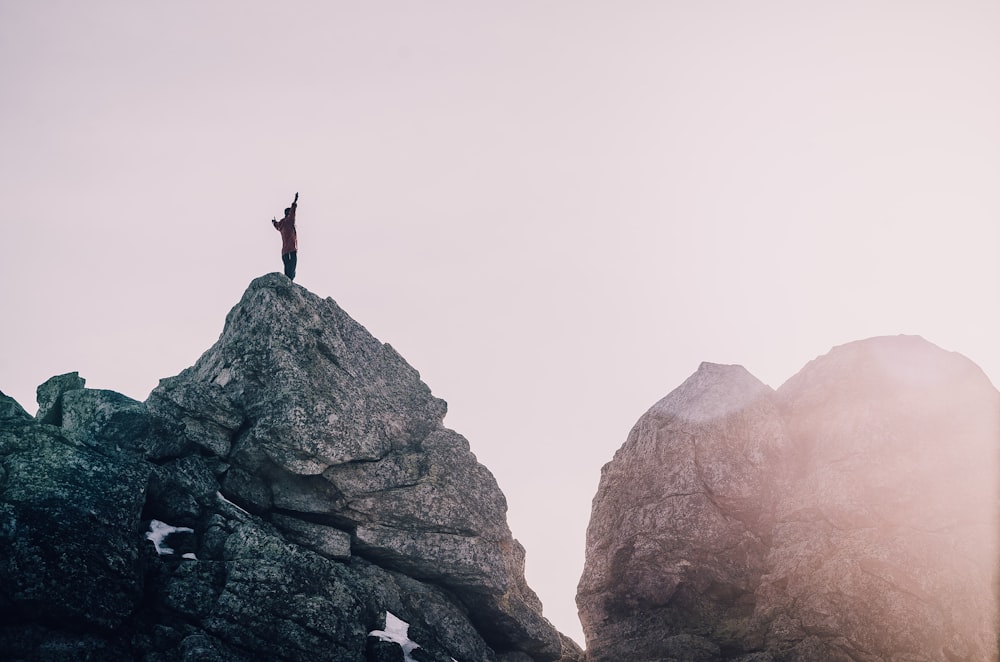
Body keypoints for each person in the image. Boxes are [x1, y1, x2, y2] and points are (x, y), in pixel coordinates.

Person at [272, 192, 299, 280]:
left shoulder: (281, 224)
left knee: (287, 269)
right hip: (291, 249)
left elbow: (276, 225)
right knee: (292, 269)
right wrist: (295, 200)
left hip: (284, 252)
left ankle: (287, 282)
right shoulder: (289, 221)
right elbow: (293, 211)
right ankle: (289, 284)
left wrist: (273, 222)